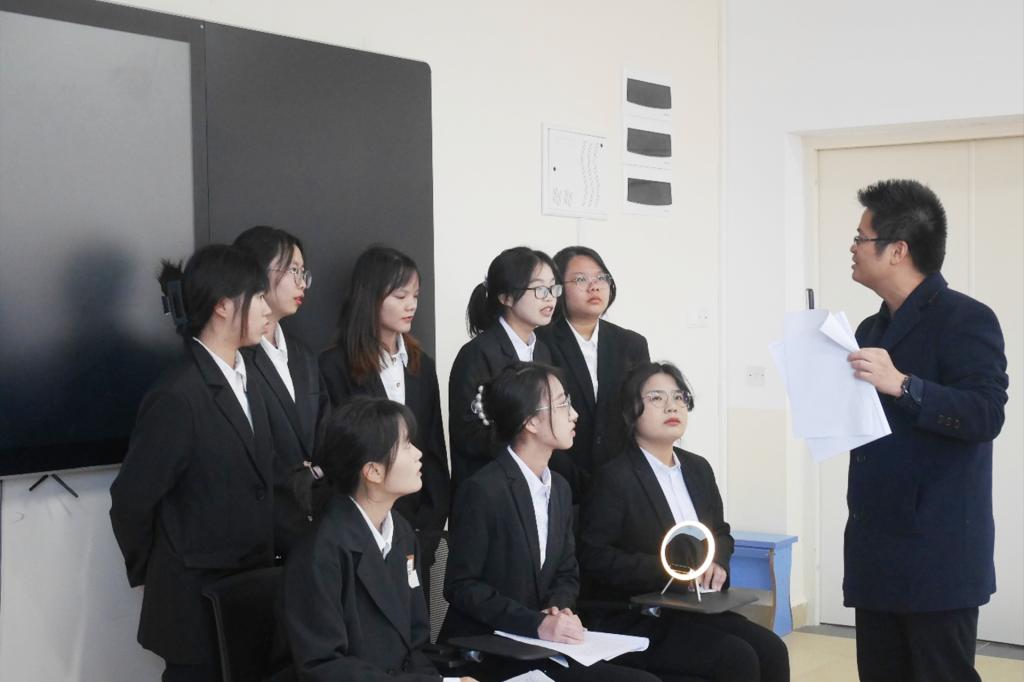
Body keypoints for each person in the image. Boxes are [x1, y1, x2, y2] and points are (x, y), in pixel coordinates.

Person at [845, 179, 1008, 682]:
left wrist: (903, 385)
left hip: (937, 548)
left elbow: (986, 414)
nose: (853, 247)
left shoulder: (967, 318)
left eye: (861, 238)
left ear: (898, 250)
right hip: (876, 543)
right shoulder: (870, 329)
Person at [110, 244, 275, 682]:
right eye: (258, 296)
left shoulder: (250, 378)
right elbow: (130, 500)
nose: (267, 307)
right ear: (223, 305)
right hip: (193, 606)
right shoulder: (177, 395)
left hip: (248, 595)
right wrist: (159, 572)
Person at [441, 363, 660, 682]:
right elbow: (461, 586)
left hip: (542, 645)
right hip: (490, 647)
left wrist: (558, 609)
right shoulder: (483, 489)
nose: (574, 415)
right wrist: (536, 623)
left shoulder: (559, 488)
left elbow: (566, 571)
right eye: (562, 404)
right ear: (530, 421)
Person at [579, 361, 790, 682]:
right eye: (656, 398)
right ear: (631, 410)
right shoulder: (615, 477)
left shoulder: (698, 469)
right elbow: (595, 557)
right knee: (737, 658)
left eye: (679, 397)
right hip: (638, 614)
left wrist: (717, 564)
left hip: (695, 608)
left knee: (773, 648)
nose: (672, 406)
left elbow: (720, 533)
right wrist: (672, 572)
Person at [282, 398, 477, 682]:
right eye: (407, 445)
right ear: (373, 471)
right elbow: (323, 666)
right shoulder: (321, 551)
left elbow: (416, 644)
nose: (419, 454)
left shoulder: (402, 533)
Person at [319, 245, 449, 593]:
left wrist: (432, 522)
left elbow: (433, 447)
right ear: (370, 298)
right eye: (400, 296)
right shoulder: (335, 366)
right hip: (361, 528)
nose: (411, 305)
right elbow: (336, 456)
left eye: (415, 296)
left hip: (418, 528)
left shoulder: (422, 365)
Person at [234, 225, 328, 557]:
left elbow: (325, 431)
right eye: (293, 271)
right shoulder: (236, 358)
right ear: (254, 273)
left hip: (310, 527)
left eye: (304, 273)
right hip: (259, 535)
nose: (302, 283)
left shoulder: (304, 356)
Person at [540, 245, 650, 502]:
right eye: (580, 279)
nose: (594, 287)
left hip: (621, 483)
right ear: (558, 288)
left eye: (601, 278)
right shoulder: (541, 341)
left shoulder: (631, 344)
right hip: (559, 481)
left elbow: (639, 415)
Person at [449, 247, 561, 489]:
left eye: (554, 288)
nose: (550, 298)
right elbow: (468, 435)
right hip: (489, 485)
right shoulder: (477, 353)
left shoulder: (542, 351)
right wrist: (530, 443)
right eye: (539, 289)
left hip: (534, 480)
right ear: (506, 297)